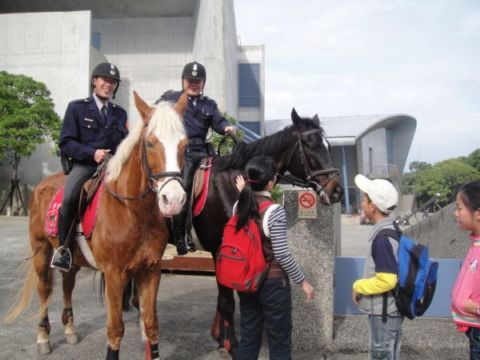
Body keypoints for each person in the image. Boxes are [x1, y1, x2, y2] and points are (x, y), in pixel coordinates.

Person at [233, 156, 314, 360]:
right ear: (271, 182)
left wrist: (244, 192)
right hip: (273, 285)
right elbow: (282, 255)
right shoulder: (274, 211)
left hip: (247, 282)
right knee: (279, 343)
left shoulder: (237, 207)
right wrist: (303, 281)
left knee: (249, 339)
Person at [51, 62, 128, 272]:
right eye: (105, 80)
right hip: (85, 166)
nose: (109, 85)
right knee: (69, 197)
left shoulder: (120, 114)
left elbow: (125, 143)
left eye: (113, 82)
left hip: (112, 168)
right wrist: (92, 153)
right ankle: (63, 250)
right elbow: (66, 142)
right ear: (94, 81)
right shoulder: (77, 108)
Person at [156, 61, 236, 255]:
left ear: (203, 83)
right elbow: (155, 114)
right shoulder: (170, 98)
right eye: (190, 80)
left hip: (203, 152)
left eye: (198, 81)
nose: (194, 84)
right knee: (185, 185)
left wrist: (227, 127)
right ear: (183, 81)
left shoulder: (209, 104)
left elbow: (218, 121)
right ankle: (181, 236)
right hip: (181, 153)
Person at [351, 174, 402, 360]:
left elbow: (387, 280)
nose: (362, 203)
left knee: (382, 355)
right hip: (389, 311)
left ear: (373, 206)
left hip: (384, 313)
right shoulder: (391, 229)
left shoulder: (382, 239)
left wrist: (358, 286)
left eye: (364, 199)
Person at [451, 181, 480, 360]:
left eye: (459, 208)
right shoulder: (475, 244)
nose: (456, 214)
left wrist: (475, 308)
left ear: (478, 214)